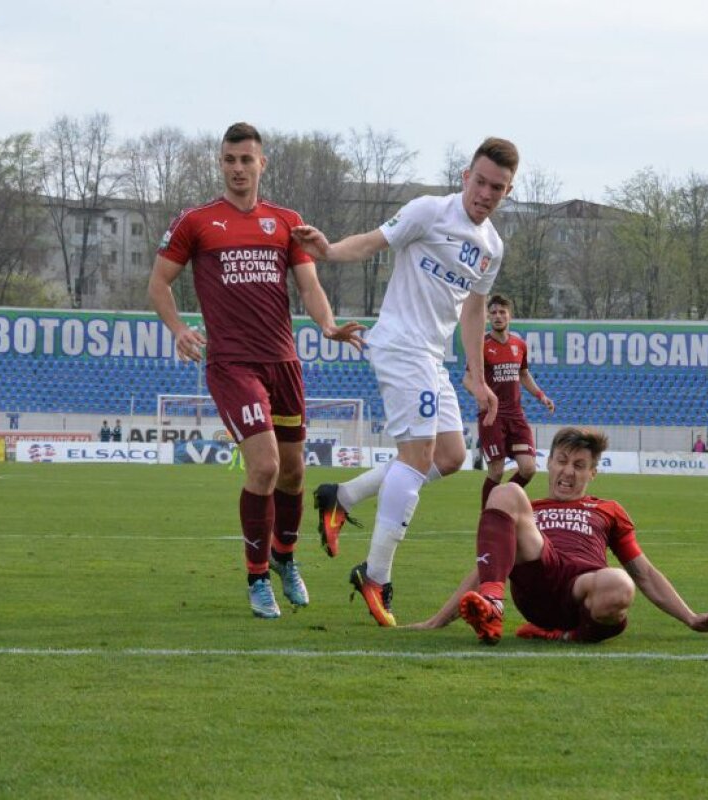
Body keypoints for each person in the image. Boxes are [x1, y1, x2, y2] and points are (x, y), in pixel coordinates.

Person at [294, 137, 519, 626]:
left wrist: (477, 379)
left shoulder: (491, 247)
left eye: (496, 188)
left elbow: (475, 309)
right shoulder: (428, 212)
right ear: (466, 176)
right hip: (398, 344)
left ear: (507, 191)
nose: (485, 193)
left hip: (432, 357)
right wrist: (329, 251)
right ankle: (375, 574)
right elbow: (374, 242)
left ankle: (342, 496)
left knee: (451, 457)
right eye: (480, 181)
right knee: (416, 457)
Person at [148, 121, 365, 620]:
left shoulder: (285, 221)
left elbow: (309, 285)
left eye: (247, 159)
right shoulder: (197, 222)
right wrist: (179, 328)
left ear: (262, 163)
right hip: (232, 363)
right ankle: (257, 576)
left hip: (284, 362)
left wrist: (328, 325)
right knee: (264, 466)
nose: (238, 168)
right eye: (230, 160)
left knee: (294, 473)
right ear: (220, 163)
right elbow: (159, 283)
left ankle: (285, 559)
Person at [408, 426, 708, 645]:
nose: (568, 471)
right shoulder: (528, 508)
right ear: (548, 463)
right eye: (562, 461)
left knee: (621, 584)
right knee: (507, 492)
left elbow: (645, 574)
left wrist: (692, 618)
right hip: (538, 575)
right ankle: (494, 605)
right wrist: (436, 621)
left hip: (584, 589)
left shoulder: (608, 509)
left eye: (579, 465)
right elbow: (486, 566)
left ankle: (563, 635)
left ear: (593, 473)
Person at [463, 294, 555, 508]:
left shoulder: (519, 345)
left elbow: (523, 374)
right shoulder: (481, 345)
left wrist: (542, 396)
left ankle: (501, 503)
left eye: (502, 312)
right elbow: (467, 378)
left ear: (509, 316)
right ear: (487, 317)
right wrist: (480, 395)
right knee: (496, 470)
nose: (497, 316)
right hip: (492, 416)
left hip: (516, 415)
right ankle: (489, 516)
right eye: (493, 312)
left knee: (528, 468)